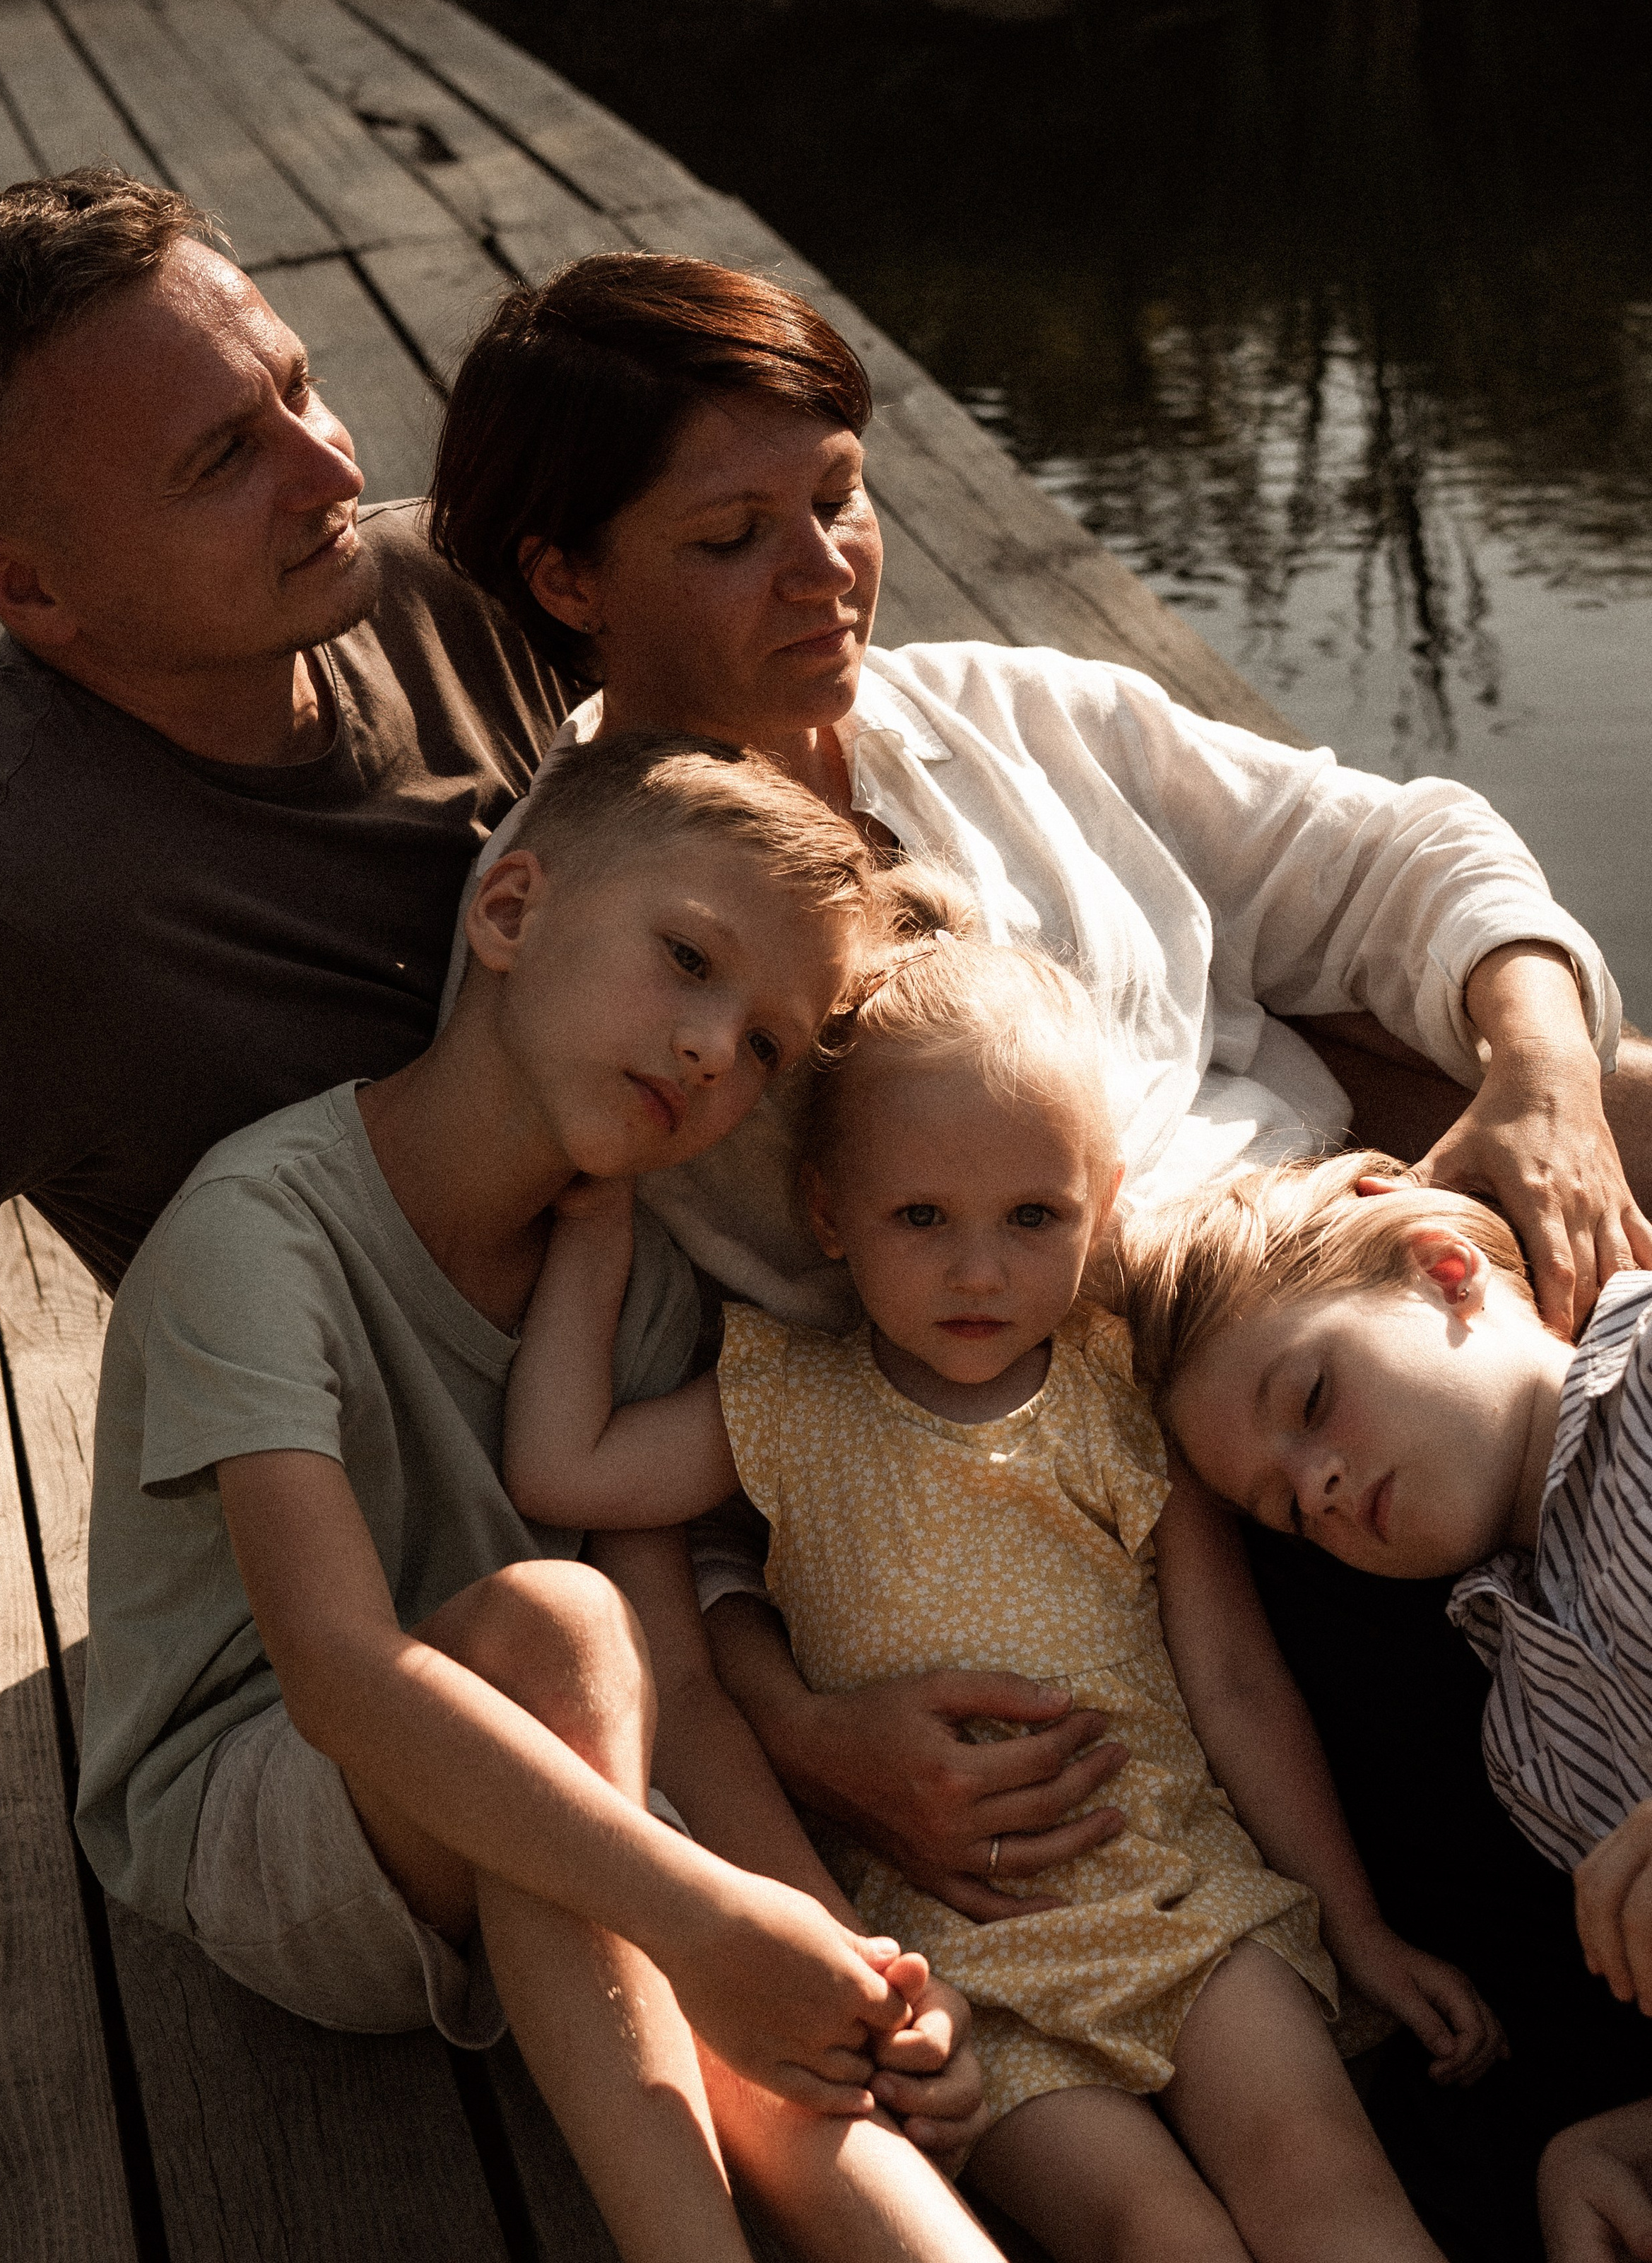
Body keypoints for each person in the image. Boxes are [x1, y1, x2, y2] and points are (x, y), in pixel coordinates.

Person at [427, 248, 1652, 2249]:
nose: (825, 570)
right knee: (1468, 1868)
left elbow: (1384, 852)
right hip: (1157, 1500)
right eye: (734, 537)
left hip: (1366, 1289)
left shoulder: (1002, 716)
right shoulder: (595, 944)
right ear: (569, 577)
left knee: (1633, 1086)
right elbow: (661, 1440)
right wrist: (794, 1730)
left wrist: (1535, 1070)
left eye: (839, 497)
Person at [77, 729, 998, 2263]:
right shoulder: (260, 1233)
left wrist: (847, 1966)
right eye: (686, 960)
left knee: (739, 1985)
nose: (712, 1051)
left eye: (766, 1048)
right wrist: (707, 1917)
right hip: (264, 1813)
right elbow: (339, 1673)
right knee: (567, 1652)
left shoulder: (631, 1293)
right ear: (509, 911)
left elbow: (677, 1691)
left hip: (561, 1799)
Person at [505, 903, 1496, 2260]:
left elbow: (1234, 1682)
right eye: (921, 1216)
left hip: (1182, 1890)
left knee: (1327, 2188)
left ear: (1101, 1203)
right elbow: (563, 1465)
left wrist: (1359, 1924)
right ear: (829, 1214)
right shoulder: (781, 1402)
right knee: (1158, 2233)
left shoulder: (1124, 1391)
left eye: (1035, 1215)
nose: (979, 1270)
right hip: (966, 1954)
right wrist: (598, 1221)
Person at [0, 167, 567, 1409]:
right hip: (410, 1503)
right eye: (225, 457)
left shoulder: (463, 585)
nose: (330, 469)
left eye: (298, 387)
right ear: (29, 589)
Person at [1114, 1148, 1652, 2261]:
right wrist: (1607, 2151)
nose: (1314, 1487)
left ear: (1443, 1265)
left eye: (1313, 1399)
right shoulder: (1524, 1740)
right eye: (1283, 1512)